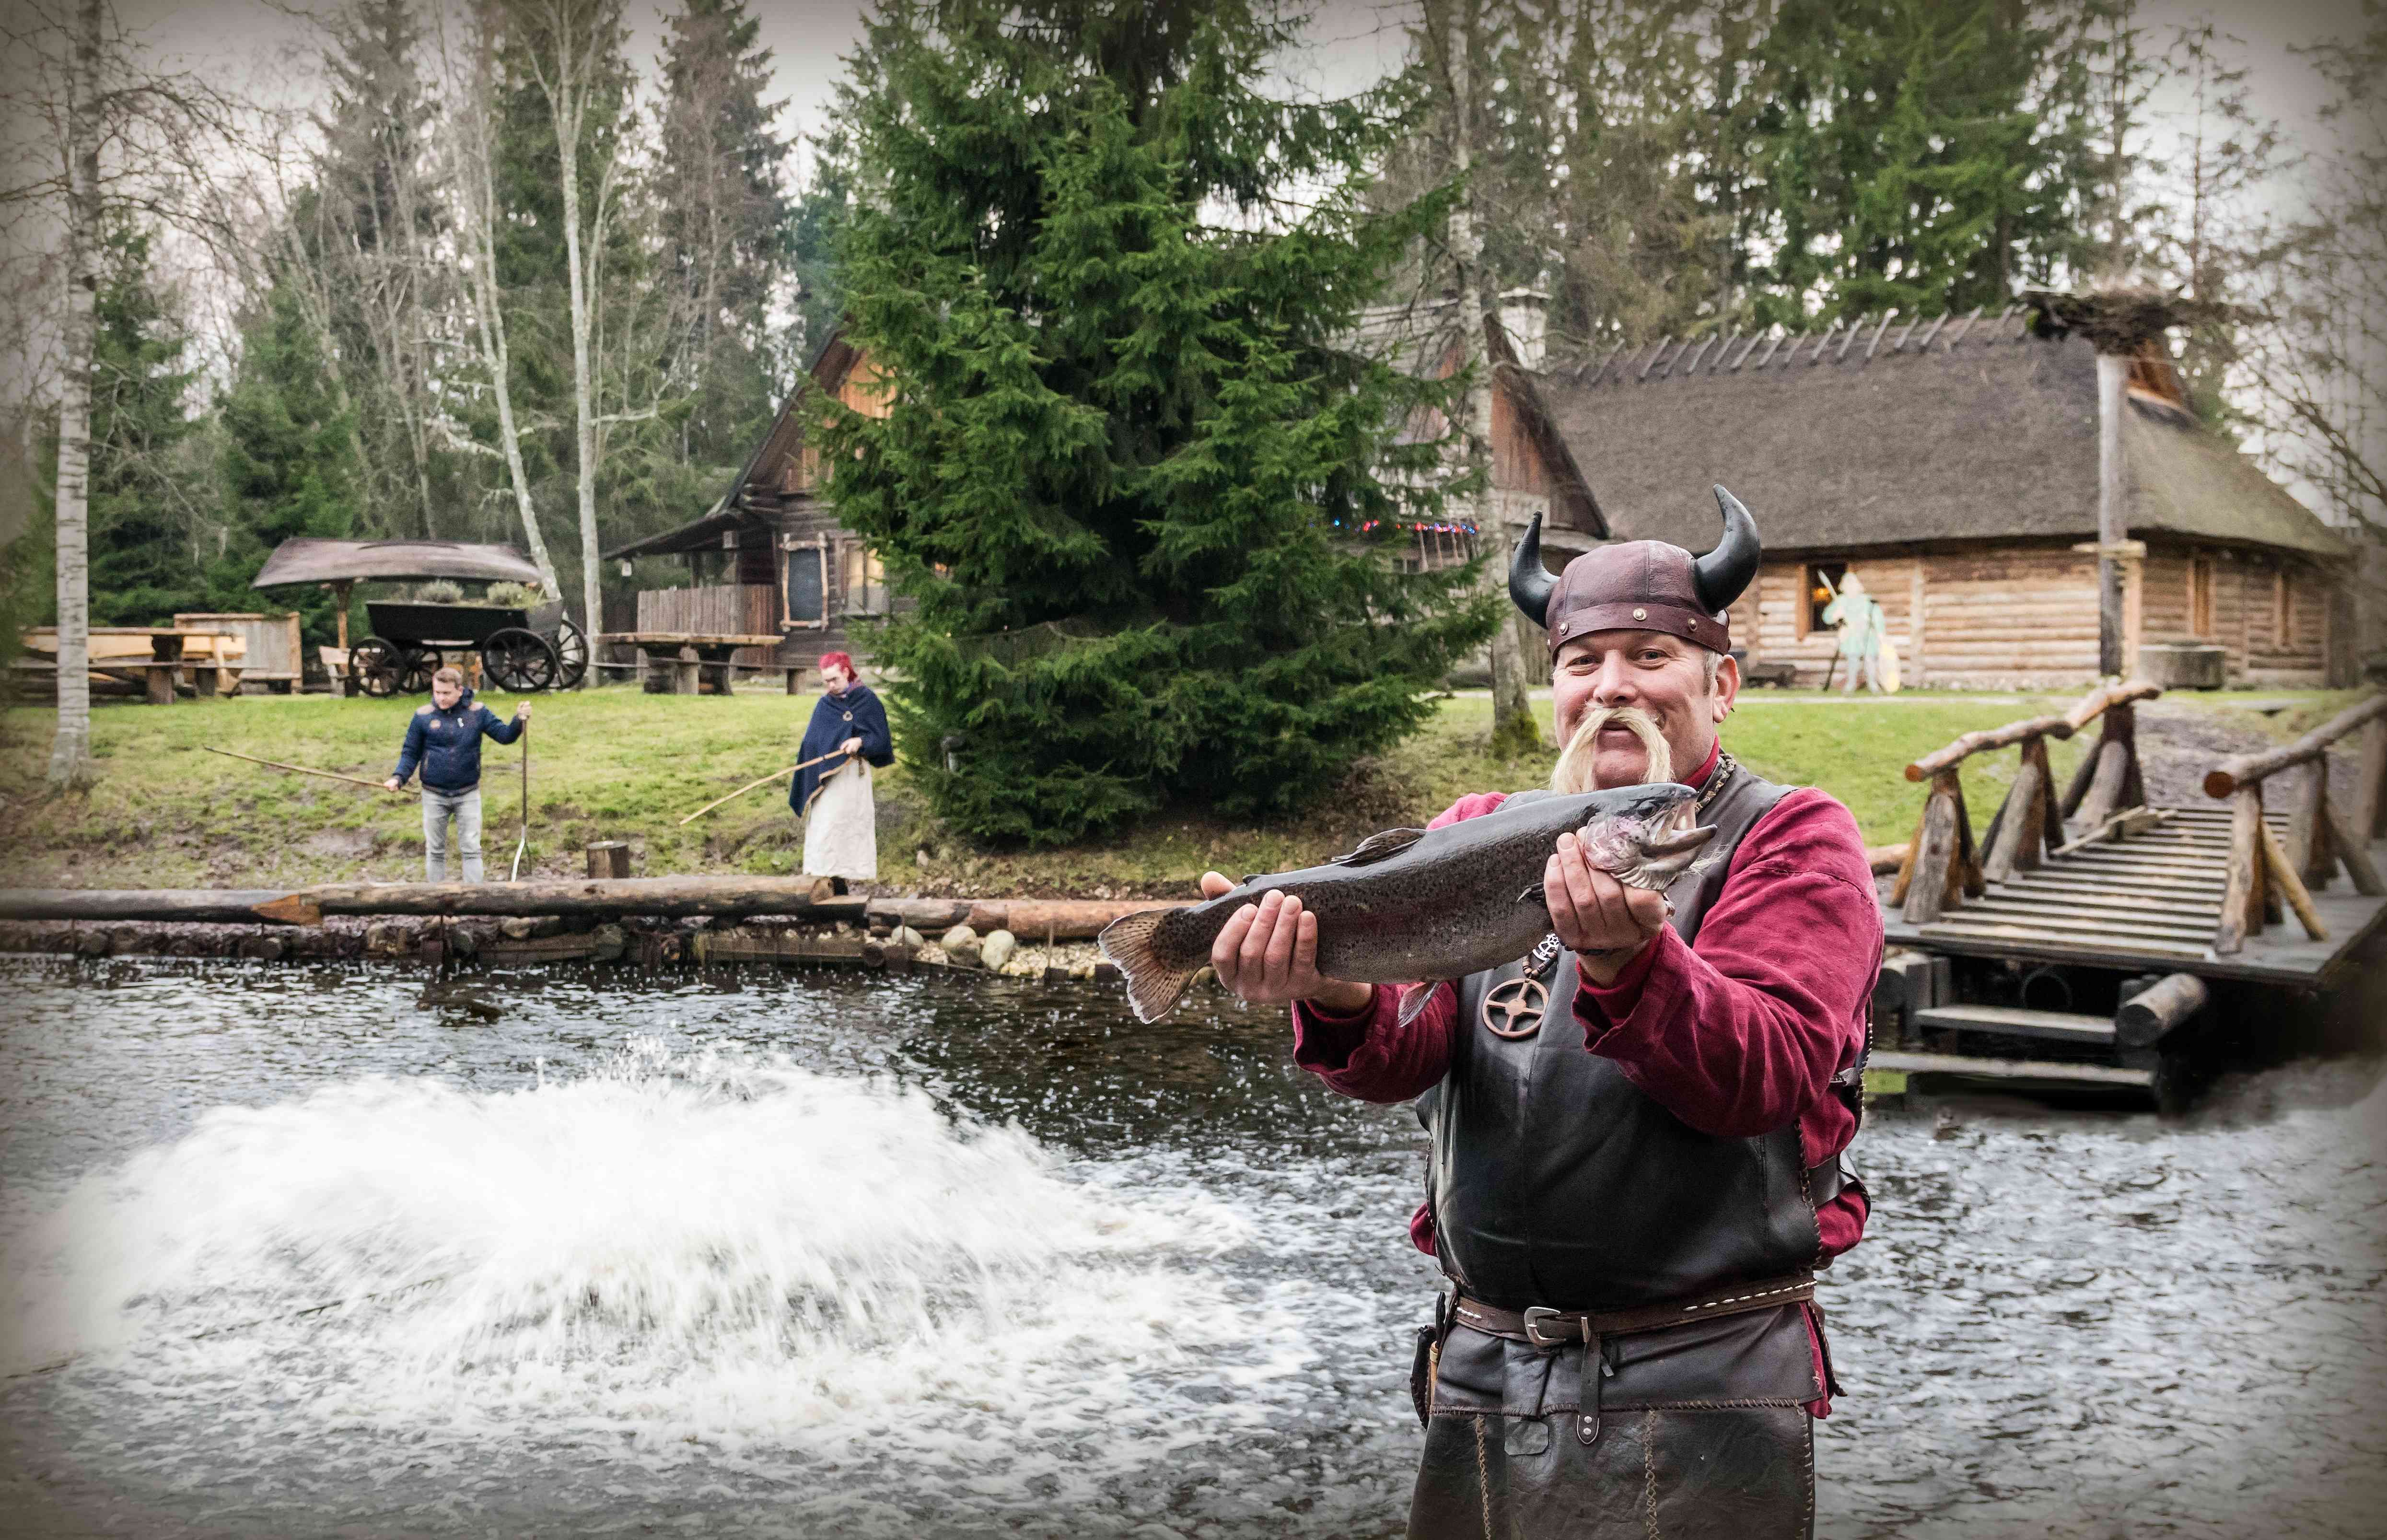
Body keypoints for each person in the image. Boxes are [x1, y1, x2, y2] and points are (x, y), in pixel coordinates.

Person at [1203, 488, 1879, 1539]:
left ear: (1722, 683)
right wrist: (1331, 988)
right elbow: (1407, 1054)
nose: (1611, 687)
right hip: (1480, 1367)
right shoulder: (1479, 829)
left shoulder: (1788, 839)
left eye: (1649, 657)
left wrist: (1631, 962)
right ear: (1555, 685)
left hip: (1702, 1370)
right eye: (1582, 662)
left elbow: (1767, 1075)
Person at [383, 666, 529, 884]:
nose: (441, 698)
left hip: (468, 793)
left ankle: (473, 902)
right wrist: (399, 777)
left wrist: (519, 720)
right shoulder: (423, 716)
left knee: (471, 849)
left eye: (446, 693)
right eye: (437, 692)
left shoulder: (477, 713)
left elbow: (505, 736)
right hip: (433, 794)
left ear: (460, 690)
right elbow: (410, 753)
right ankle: (438, 906)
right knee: (435, 850)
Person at [791, 652, 893, 895]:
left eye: (834, 679)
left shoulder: (867, 701)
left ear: (847, 672)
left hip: (851, 777)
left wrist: (859, 741)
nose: (830, 685)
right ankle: (825, 883)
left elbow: (881, 739)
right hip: (826, 780)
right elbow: (812, 743)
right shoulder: (825, 704)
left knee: (848, 828)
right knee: (825, 827)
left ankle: (843, 884)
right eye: (826, 681)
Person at [1822, 571, 1886, 694]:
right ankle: (1851, 684)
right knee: (1852, 660)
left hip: (1866, 634)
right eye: (1848, 585)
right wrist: (1836, 615)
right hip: (1850, 635)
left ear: (1858, 586)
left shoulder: (1867, 601)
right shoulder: (1841, 601)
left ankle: (1873, 684)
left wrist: (1881, 635)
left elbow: (1878, 618)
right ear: (1844, 587)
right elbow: (1827, 617)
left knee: (1870, 659)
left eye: (1853, 585)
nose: (1851, 588)